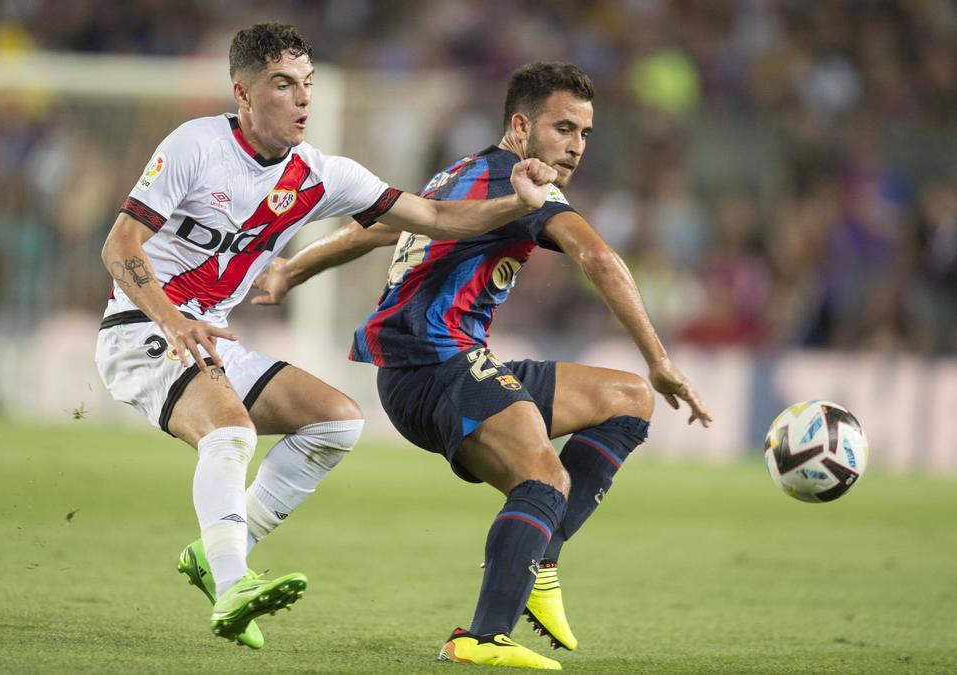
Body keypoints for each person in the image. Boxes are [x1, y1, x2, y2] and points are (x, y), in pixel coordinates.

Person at [94, 23, 559, 650]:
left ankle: (216, 554)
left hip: (210, 340)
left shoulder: (319, 174)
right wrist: (173, 320)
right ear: (244, 92)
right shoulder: (195, 146)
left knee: (336, 421)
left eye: (307, 83)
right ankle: (233, 585)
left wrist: (514, 202)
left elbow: (438, 217)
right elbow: (119, 244)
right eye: (283, 85)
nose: (303, 99)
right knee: (228, 430)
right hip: (142, 328)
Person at [253, 62, 712, 669]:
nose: (575, 146)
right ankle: (481, 637)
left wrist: (293, 269)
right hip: (433, 365)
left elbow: (375, 229)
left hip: (448, 362)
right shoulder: (525, 189)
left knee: (629, 400)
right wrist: (659, 357)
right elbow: (598, 257)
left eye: (584, 133)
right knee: (545, 481)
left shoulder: (464, 172)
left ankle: (539, 556)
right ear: (521, 127)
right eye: (562, 128)